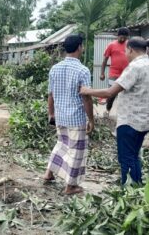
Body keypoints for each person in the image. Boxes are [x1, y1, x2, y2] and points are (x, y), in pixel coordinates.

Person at [80, 37, 149, 185]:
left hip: (131, 121)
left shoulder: (134, 67)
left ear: (130, 49)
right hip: (146, 120)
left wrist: (87, 90)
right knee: (134, 155)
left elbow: (111, 92)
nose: (125, 54)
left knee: (126, 158)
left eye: (126, 51)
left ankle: (129, 191)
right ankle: (137, 188)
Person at [43, 34, 94, 195]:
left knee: (62, 145)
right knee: (76, 151)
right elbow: (86, 97)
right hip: (76, 118)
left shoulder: (55, 68)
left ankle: (49, 173)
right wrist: (91, 119)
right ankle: (70, 186)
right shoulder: (82, 70)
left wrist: (51, 113)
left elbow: (50, 94)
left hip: (60, 116)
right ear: (80, 47)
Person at [100, 27, 130, 115]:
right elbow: (105, 60)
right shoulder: (111, 45)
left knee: (126, 93)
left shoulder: (129, 45)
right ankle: (108, 110)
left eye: (125, 37)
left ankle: (124, 113)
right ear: (117, 36)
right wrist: (102, 73)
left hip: (127, 73)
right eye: (121, 37)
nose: (123, 39)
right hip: (114, 73)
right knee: (111, 94)